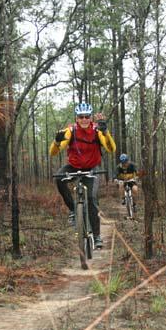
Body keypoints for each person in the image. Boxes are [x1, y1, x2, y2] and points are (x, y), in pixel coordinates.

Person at [49, 102, 116, 249]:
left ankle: (97, 236)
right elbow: (53, 152)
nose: (84, 119)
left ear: (91, 117)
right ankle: (74, 210)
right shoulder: (70, 131)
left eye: (87, 116)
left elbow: (111, 149)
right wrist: (56, 141)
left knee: (91, 199)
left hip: (92, 168)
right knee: (59, 179)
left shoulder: (97, 130)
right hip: (73, 166)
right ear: (77, 118)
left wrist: (106, 133)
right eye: (81, 117)